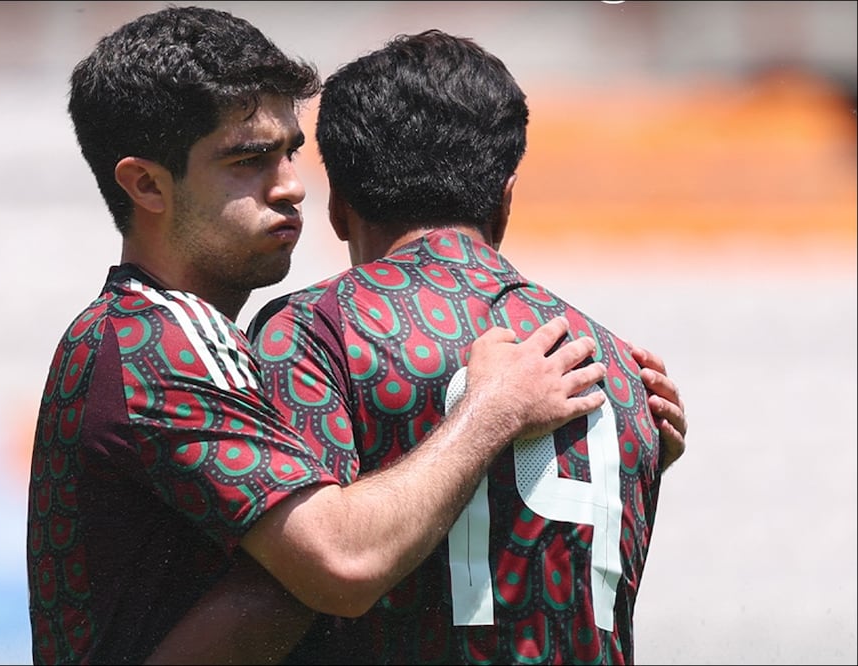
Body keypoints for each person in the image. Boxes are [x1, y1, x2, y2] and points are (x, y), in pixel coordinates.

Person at [26, 8, 622, 664]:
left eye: (288, 153)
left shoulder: (143, 333)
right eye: (247, 160)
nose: (289, 188)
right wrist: (491, 410)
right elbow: (340, 562)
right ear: (147, 184)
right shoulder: (160, 339)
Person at [145, 29, 688, 665]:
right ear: (505, 198)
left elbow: (304, 576)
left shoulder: (318, 328)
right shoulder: (619, 367)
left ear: (339, 209)